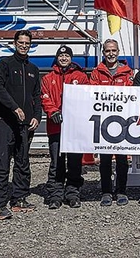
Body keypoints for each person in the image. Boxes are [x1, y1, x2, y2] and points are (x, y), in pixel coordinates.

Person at [0, 30, 42, 220]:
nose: (24, 46)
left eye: (27, 43)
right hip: (6, 121)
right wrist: (14, 107)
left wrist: (37, 116)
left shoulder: (33, 69)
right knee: (2, 163)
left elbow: (37, 95)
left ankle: (19, 197)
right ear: (15, 43)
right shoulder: (5, 64)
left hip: (25, 124)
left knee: (22, 162)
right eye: (21, 42)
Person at [41, 46, 89, 209]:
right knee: (57, 162)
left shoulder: (80, 77)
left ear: (71, 58)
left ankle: (73, 193)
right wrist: (53, 111)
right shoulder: (48, 78)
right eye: (61, 56)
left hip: (75, 128)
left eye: (66, 56)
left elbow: (87, 98)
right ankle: (56, 194)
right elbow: (45, 97)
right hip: (56, 127)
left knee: (75, 162)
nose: (63, 58)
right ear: (57, 58)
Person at [89, 39, 135, 207]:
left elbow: (133, 95)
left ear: (118, 52)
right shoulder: (96, 72)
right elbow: (91, 94)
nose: (111, 53)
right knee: (105, 159)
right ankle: (106, 192)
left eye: (113, 50)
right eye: (108, 51)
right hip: (104, 122)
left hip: (123, 122)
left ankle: (122, 191)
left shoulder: (127, 72)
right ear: (103, 52)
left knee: (122, 159)